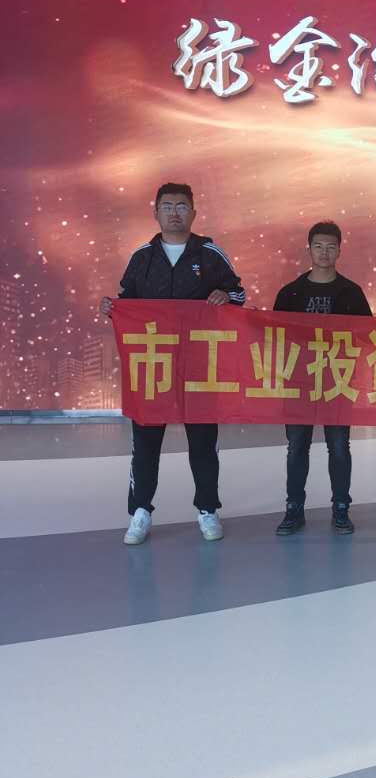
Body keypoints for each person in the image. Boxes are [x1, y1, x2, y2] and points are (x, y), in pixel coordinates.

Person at [100, 182, 244, 545]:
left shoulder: (210, 254)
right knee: (145, 444)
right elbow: (127, 304)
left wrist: (225, 296)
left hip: (200, 367)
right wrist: (112, 308)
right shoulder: (142, 257)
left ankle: (207, 509)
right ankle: (140, 512)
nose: (175, 213)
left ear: (193, 213)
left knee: (203, 444)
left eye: (181, 206)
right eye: (167, 206)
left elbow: (239, 295)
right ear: (156, 213)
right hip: (154, 367)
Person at [273, 222, 373, 537]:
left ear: (339, 250)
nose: (324, 252)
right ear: (309, 249)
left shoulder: (351, 293)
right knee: (296, 447)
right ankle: (294, 508)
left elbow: (367, 335)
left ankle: (341, 508)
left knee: (339, 446)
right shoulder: (290, 293)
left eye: (330, 247)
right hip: (299, 382)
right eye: (318, 246)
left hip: (337, 381)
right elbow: (275, 335)